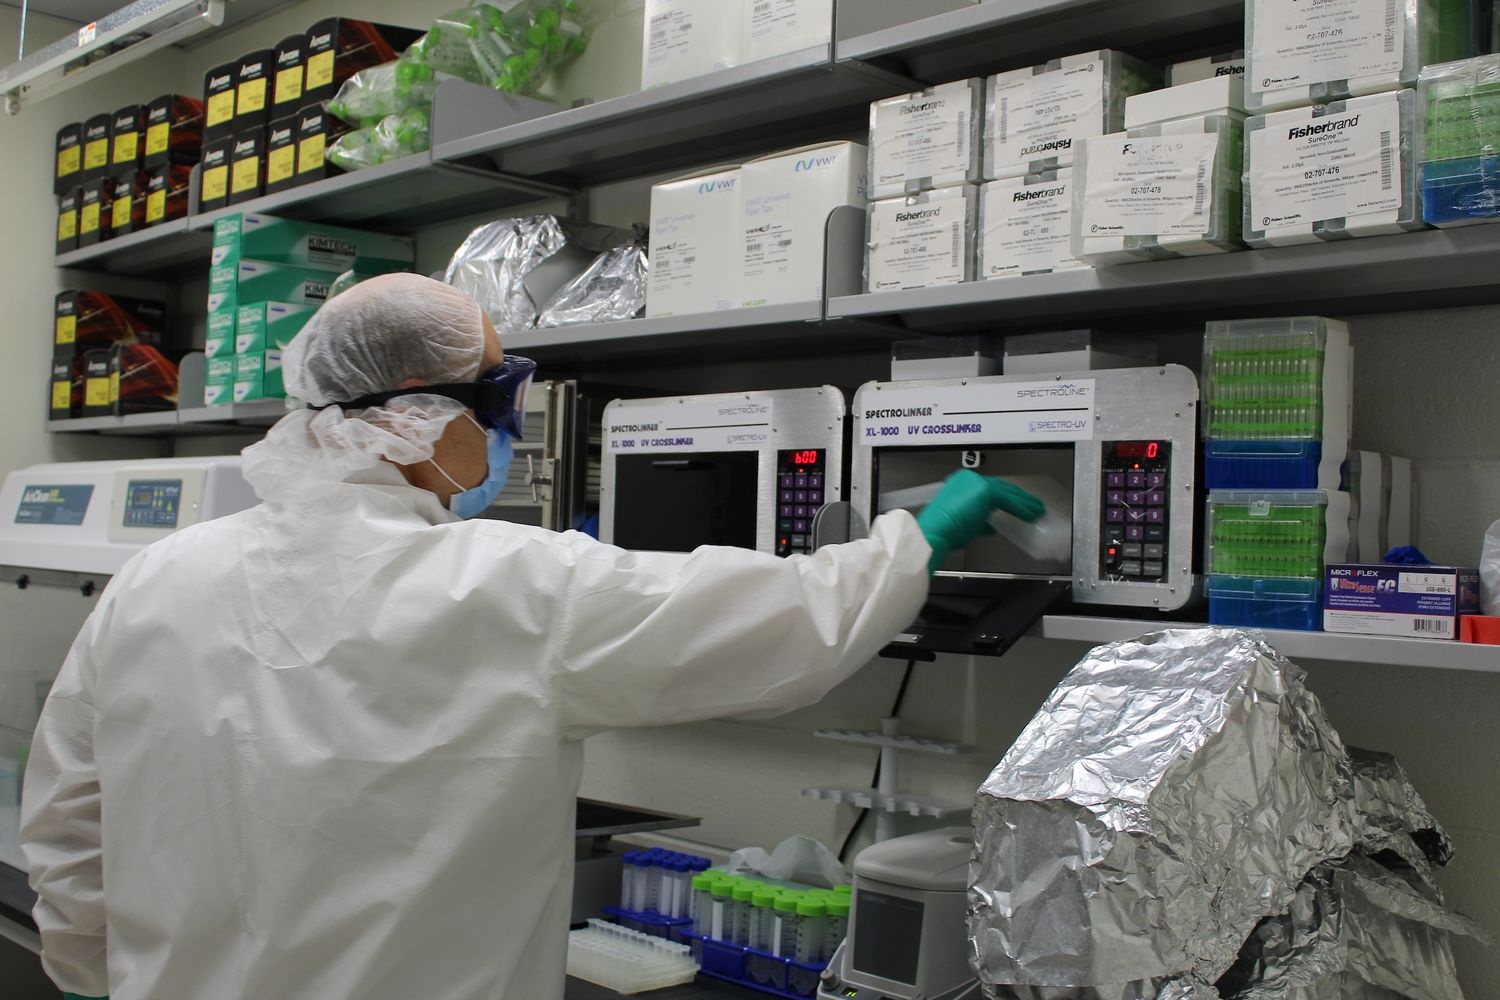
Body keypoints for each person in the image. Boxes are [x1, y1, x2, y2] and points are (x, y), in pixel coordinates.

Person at [21, 273, 1042, 1000]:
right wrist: (919, 539)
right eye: (502, 394)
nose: (510, 428)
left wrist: (99, 974)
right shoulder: (510, 585)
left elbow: (68, 824)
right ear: (418, 415)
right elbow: (789, 628)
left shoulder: (158, 577)